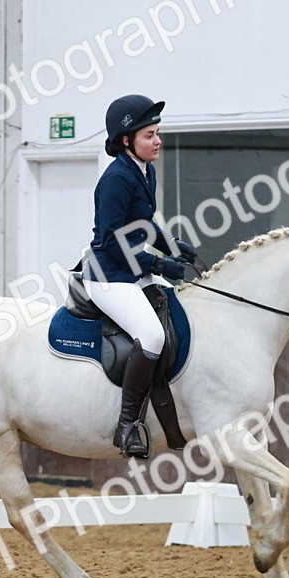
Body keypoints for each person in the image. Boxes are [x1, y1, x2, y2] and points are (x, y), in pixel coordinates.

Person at [81, 94, 197, 459]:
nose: (158, 140)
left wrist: (174, 247)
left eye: (158, 133)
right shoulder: (116, 178)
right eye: (149, 135)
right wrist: (159, 265)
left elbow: (144, 223)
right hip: (108, 276)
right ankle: (127, 424)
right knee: (151, 335)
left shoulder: (144, 171)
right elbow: (114, 240)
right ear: (127, 139)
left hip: (132, 271)